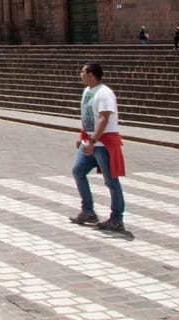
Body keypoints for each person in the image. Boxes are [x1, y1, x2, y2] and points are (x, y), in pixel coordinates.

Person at [70, 62, 126, 233]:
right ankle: (88, 211)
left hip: (102, 144)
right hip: (89, 141)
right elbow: (88, 117)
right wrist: (83, 136)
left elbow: (103, 118)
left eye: (83, 72)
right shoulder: (88, 91)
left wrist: (92, 141)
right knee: (78, 171)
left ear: (91, 75)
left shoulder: (104, 93)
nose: (80, 74)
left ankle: (116, 219)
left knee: (111, 181)